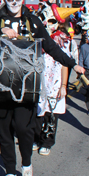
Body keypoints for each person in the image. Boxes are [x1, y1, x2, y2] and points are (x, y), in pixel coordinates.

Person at [0, 0, 84, 176]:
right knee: (3, 131)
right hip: (0, 85)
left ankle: (26, 168)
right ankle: (9, 172)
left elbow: (50, 46)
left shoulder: (33, 22)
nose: (14, 3)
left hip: (25, 85)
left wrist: (72, 63)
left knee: (24, 129)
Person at [33, 27, 72, 156]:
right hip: (42, 86)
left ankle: (47, 142)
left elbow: (64, 68)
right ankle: (36, 139)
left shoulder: (62, 50)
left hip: (55, 86)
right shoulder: (41, 48)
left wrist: (63, 86)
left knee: (52, 116)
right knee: (38, 114)